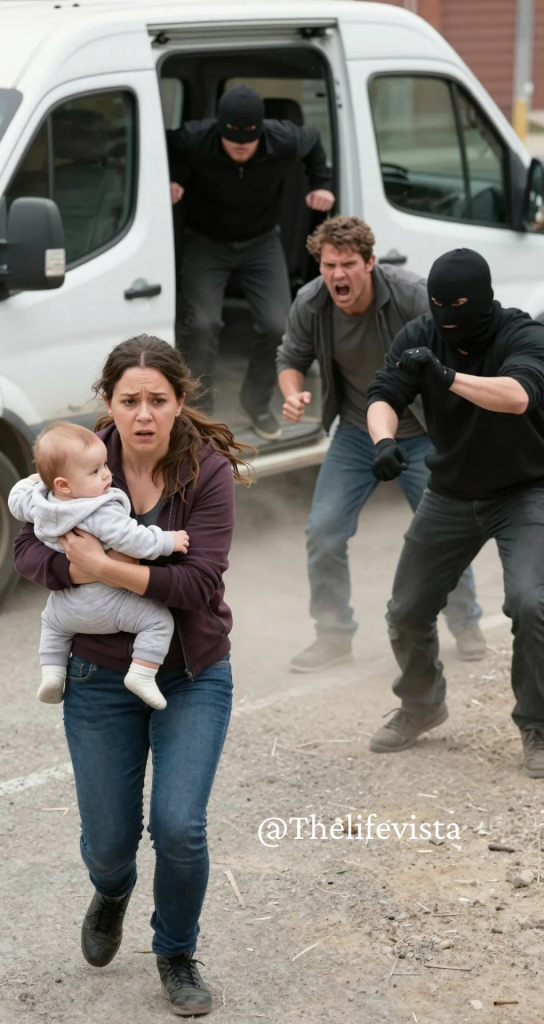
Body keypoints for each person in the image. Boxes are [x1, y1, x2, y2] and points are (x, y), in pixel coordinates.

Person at [13, 336, 250, 1016]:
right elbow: (27, 548)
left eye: (157, 400)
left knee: (179, 828)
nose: (143, 414)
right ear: (108, 402)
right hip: (96, 675)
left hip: (192, 673)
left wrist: (104, 568)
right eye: (129, 400)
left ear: (179, 402)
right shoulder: (76, 459)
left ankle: (175, 952)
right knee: (110, 845)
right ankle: (112, 889)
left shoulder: (206, 472)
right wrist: (73, 568)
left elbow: (198, 582)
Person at [276, 217, 485, 673]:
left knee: (444, 531)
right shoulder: (311, 302)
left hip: (423, 431)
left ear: (370, 263)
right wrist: (293, 395)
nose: (337, 274)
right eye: (329, 265)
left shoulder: (412, 295)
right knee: (323, 533)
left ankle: (465, 622)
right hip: (357, 432)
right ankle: (333, 637)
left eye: (348, 264)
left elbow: (460, 349)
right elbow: (291, 357)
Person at [366, 248, 544, 779]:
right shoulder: (419, 334)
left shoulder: (523, 335)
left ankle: (537, 724)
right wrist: (383, 440)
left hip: (525, 490)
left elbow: (517, 396)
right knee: (406, 608)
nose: (447, 315)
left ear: (484, 298)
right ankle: (422, 704)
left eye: (459, 304)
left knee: (532, 603)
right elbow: (384, 392)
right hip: (451, 491)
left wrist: (445, 375)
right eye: (439, 303)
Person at [168, 83, 335, 440]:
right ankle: (200, 412)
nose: (240, 146)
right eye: (232, 139)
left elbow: (313, 141)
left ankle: (255, 401)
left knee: (279, 325)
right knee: (202, 325)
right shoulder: (196, 137)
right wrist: (174, 178)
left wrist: (320, 183)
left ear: (261, 130)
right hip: (206, 241)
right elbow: (165, 145)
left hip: (261, 242)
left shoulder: (284, 138)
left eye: (249, 139)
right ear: (219, 129)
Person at [8, 422, 190, 708]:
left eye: (104, 465)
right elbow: (134, 540)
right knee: (158, 621)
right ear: (63, 484)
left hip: (66, 607)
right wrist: (169, 540)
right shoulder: (99, 510)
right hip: (109, 605)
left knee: (51, 624)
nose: (106, 474)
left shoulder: (38, 502)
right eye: (94, 471)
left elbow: (15, 499)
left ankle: (52, 674)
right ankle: (142, 674)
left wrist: (35, 481)